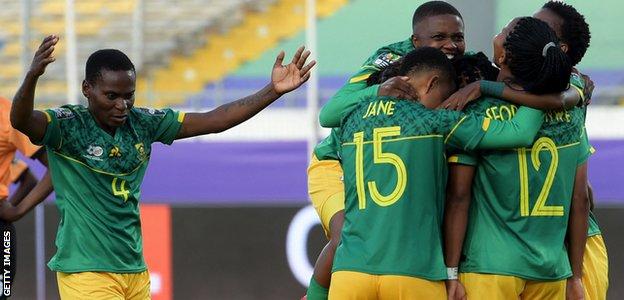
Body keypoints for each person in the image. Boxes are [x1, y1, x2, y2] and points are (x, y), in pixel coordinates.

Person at [11, 34, 315, 299]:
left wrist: (272, 91)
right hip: (86, 270)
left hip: (134, 270)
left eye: (128, 96)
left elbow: (215, 120)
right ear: (87, 88)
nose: (122, 105)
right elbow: (21, 120)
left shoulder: (144, 123)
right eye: (111, 96)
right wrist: (32, 77)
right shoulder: (67, 125)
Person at [325, 46, 554, 299]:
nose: (448, 104)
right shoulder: (435, 122)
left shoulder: (351, 120)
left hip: (350, 272)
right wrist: (549, 78)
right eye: (446, 95)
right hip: (413, 272)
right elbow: (519, 132)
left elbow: (327, 116)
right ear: (432, 83)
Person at [305, 2, 466, 298]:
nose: (451, 45)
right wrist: (378, 90)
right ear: (416, 41)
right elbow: (329, 115)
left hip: (390, 157)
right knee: (348, 236)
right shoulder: (391, 59)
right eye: (440, 37)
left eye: (457, 37)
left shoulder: (463, 66)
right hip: (338, 161)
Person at [443, 17, 587, 300]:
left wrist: (451, 273)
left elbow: (459, 197)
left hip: (491, 268)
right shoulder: (570, 114)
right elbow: (580, 198)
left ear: (503, 56)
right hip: (551, 270)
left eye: (502, 32)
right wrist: (576, 276)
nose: (497, 34)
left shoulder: (477, 112)